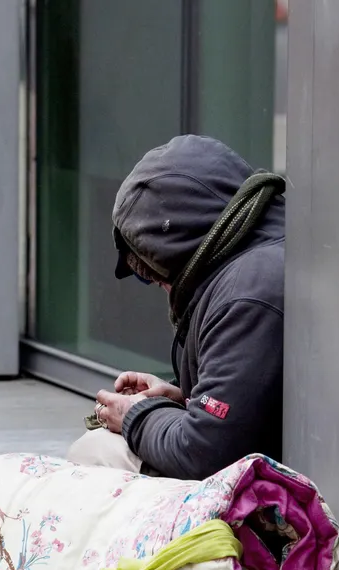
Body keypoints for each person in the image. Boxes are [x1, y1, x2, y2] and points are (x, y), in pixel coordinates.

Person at [67, 134, 285, 481]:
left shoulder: (247, 295)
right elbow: (252, 414)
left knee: (94, 453)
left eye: (153, 274)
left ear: (179, 252)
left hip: (276, 495)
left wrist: (136, 415)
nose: (160, 287)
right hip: (271, 465)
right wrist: (184, 401)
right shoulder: (264, 258)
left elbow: (206, 452)